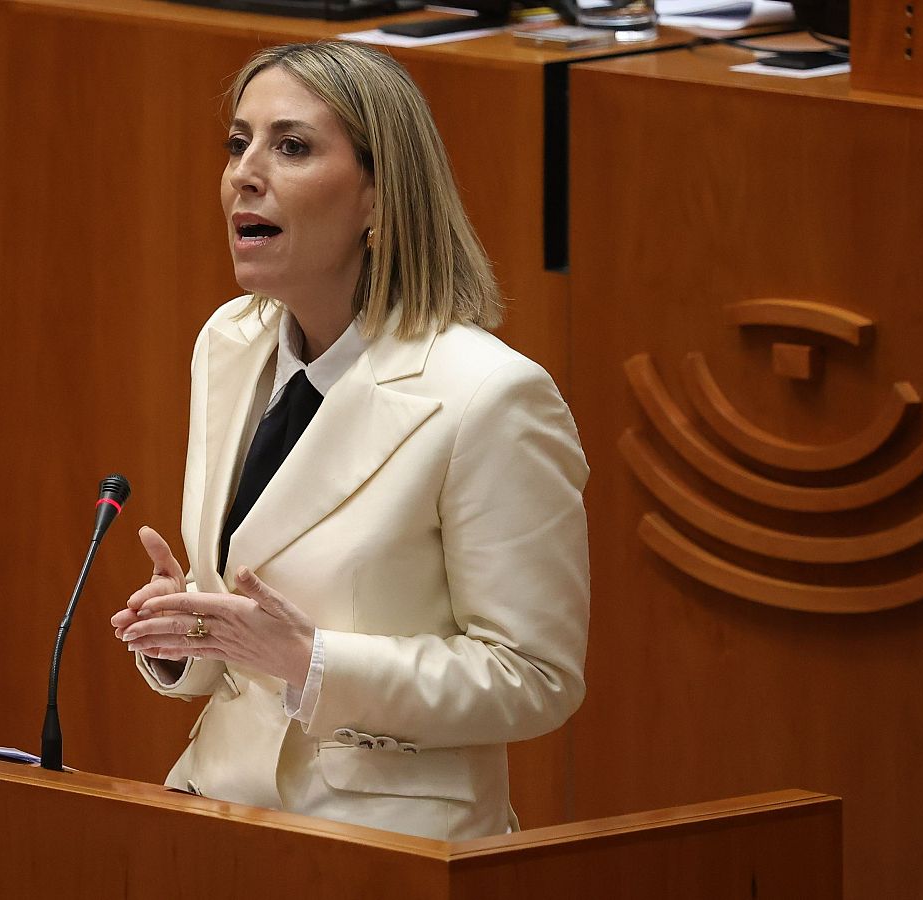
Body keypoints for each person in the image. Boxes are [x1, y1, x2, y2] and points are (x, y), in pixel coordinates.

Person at [109, 41, 589, 842]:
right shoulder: (231, 342)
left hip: (386, 849)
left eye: (291, 146)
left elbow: (534, 678)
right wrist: (190, 632)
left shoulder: (488, 396)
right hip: (212, 815)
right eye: (239, 144)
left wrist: (314, 660)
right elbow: (248, 634)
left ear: (378, 196)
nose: (245, 174)